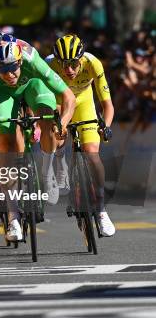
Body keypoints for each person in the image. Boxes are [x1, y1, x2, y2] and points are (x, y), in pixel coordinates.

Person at [0, 33, 76, 242]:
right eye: (3, 69)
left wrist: (63, 123)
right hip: (1, 93)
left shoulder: (32, 58)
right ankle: (13, 216)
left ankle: (46, 172)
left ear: (20, 60)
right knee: (7, 142)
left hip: (32, 84)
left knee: (49, 120)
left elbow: (69, 96)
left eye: (12, 67)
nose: (9, 74)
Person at [46, 34, 116, 237]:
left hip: (85, 103)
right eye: (64, 64)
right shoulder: (48, 65)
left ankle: (102, 209)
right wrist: (58, 121)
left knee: (92, 153)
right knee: (59, 134)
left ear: (81, 59)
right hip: (60, 101)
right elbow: (48, 99)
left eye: (73, 64)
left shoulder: (93, 63)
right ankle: (60, 163)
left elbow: (106, 104)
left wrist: (106, 126)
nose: (68, 70)